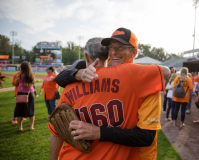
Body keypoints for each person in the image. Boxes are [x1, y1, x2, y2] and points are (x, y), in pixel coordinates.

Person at [50, 28, 170, 160]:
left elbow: (145, 137)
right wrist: (75, 74)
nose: (113, 52)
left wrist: (98, 132)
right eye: (111, 48)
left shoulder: (143, 80)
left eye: (120, 47)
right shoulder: (81, 78)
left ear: (134, 52)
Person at [13, 61, 35, 132]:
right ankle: (31, 126)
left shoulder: (19, 75)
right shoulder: (32, 75)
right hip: (30, 93)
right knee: (31, 110)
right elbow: (33, 83)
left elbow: (15, 84)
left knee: (19, 111)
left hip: (21, 93)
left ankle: (20, 127)